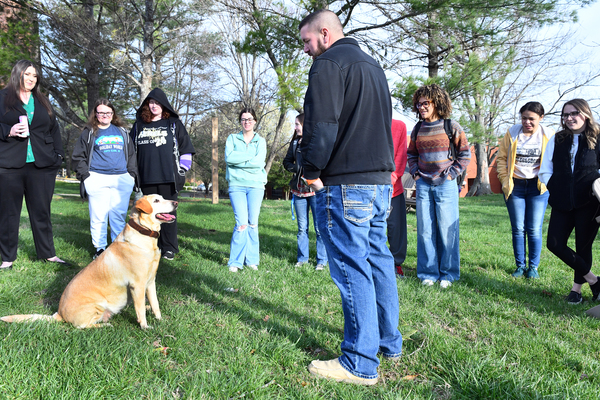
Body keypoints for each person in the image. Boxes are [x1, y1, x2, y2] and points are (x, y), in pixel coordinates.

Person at [299, 9, 402, 385]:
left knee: (350, 267)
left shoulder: (329, 64)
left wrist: (310, 171)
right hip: (378, 182)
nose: (307, 50)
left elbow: (322, 125)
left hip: (345, 182)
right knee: (378, 261)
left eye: (307, 41)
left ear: (325, 34)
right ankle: (389, 342)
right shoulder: (373, 67)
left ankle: (360, 361)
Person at [0, 60, 67, 270]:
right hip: (9, 165)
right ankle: (7, 258)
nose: (31, 79)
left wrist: (58, 156)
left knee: (41, 211)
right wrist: (7, 131)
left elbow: (54, 129)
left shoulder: (43, 100)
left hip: (42, 165)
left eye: (35, 76)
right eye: (27, 74)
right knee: (9, 213)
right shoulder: (2, 98)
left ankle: (48, 254)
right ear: (18, 74)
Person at [406, 84, 470, 288]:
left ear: (437, 103)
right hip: (423, 184)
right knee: (425, 229)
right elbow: (411, 154)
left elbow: (465, 155)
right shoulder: (417, 129)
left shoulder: (452, 127)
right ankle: (428, 272)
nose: (421, 107)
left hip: (446, 185)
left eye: (426, 103)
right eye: (419, 104)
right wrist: (415, 174)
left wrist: (451, 175)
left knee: (446, 229)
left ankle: (448, 274)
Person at [539, 99, 600, 304]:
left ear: (585, 114)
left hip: (589, 203)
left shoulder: (598, 138)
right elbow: (545, 169)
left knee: (584, 246)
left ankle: (576, 291)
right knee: (554, 244)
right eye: (565, 115)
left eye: (574, 113)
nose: (569, 118)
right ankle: (594, 281)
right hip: (561, 201)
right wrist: (554, 186)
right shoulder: (558, 139)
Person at [130, 88, 195, 261]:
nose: (154, 106)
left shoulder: (173, 124)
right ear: (146, 105)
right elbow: (130, 150)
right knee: (149, 214)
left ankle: (169, 248)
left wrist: (182, 170)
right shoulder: (139, 125)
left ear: (164, 104)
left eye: (157, 103)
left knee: (168, 214)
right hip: (147, 178)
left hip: (168, 178)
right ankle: (152, 245)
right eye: (151, 103)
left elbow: (186, 148)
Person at [72, 98, 138, 259]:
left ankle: (118, 248)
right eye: (101, 112)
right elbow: (78, 156)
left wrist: (131, 175)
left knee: (118, 215)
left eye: (108, 112)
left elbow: (131, 155)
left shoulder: (121, 131)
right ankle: (100, 249)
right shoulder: (89, 132)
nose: (104, 115)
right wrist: (86, 176)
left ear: (112, 114)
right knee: (98, 215)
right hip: (97, 177)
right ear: (95, 114)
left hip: (121, 178)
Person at [497, 102, 554, 279]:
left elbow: (554, 161)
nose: (527, 122)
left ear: (541, 118)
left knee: (534, 229)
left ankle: (533, 268)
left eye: (532, 119)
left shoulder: (549, 135)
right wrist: (505, 180)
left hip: (538, 187)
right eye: (524, 118)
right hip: (516, 187)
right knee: (518, 228)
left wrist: (548, 181)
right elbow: (501, 158)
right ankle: (520, 266)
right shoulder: (512, 132)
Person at [283, 112, 328, 271]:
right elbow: (286, 161)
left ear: (305, 125)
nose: (295, 127)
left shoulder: (317, 142)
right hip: (299, 191)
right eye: (295, 124)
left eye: (297, 124)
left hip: (315, 192)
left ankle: (321, 261)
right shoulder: (294, 143)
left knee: (319, 227)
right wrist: (294, 168)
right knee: (302, 228)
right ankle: (302, 259)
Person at [225, 107, 267, 273]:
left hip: (256, 185)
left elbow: (259, 163)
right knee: (241, 223)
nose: (246, 122)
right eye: (243, 119)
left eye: (249, 119)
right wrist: (250, 157)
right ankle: (235, 262)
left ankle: (252, 260)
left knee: (252, 223)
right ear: (240, 121)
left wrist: (240, 160)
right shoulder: (232, 138)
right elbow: (229, 158)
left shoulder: (260, 141)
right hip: (236, 185)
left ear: (255, 121)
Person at [387, 119, 408, 278]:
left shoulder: (399, 126)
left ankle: (396, 263)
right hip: (370, 188)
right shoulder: (365, 123)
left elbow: (401, 157)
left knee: (396, 229)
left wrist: (391, 180)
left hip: (394, 190)